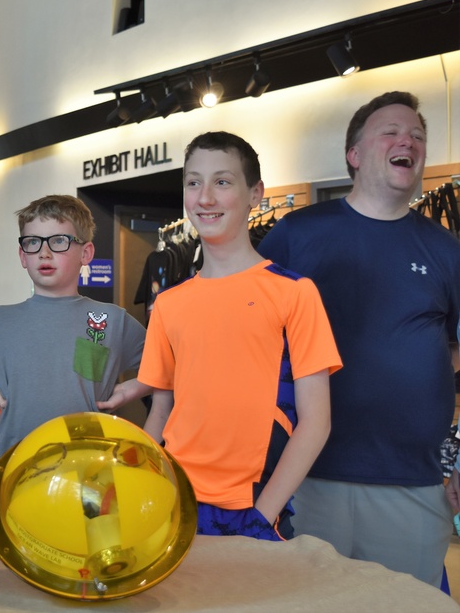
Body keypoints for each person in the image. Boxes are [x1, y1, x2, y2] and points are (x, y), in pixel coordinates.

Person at [257, 92, 460, 584]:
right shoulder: (295, 234)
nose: (407, 141)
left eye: (417, 136)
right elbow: (249, 335)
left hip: (411, 483)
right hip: (303, 476)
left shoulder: (444, 248)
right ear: (354, 153)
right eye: (390, 131)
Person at [99, 131, 341, 540]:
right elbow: (161, 411)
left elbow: (316, 422)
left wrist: (262, 516)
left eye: (222, 182)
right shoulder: (170, 303)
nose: (205, 197)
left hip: (254, 506)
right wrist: (133, 483)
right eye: (194, 183)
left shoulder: (294, 292)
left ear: (255, 193)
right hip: (174, 498)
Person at [0, 194, 146, 454]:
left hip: (88, 465)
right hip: (18, 466)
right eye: (33, 242)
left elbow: (167, 366)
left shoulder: (111, 320)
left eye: (58, 241)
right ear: (23, 256)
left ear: (85, 253)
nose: (44, 252)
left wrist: (127, 391)